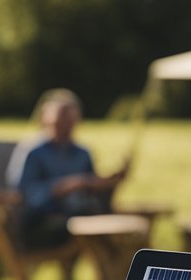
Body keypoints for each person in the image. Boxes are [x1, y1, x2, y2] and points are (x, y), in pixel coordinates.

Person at [7, 89, 128, 249]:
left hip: (78, 215)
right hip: (41, 224)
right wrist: (64, 187)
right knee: (90, 231)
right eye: (60, 122)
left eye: (70, 122)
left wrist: (111, 181)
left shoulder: (82, 153)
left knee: (114, 228)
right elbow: (23, 196)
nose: (65, 127)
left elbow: (92, 189)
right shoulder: (32, 152)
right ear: (45, 119)